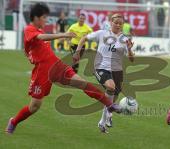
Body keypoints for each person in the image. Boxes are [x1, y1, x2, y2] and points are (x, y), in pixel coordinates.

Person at [5, 3, 122, 134]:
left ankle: (109, 104)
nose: (46, 20)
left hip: (57, 66)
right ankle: (14, 121)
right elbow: (41, 38)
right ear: (36, 18)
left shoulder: (39, 30)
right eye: (44, 17)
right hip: (42, 72)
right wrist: (64, 35)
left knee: (82, 83)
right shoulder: (29, 29)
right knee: (34, 106)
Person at [73, 13, 134, 133]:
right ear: (111, 22)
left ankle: (103, 121)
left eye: (120, 23)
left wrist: (130, 49)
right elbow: (84, 38)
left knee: (114, 97)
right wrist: (77, 52)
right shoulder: (102, 33)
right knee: (111, 87)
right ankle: (106, 117)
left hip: (116, 70)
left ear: (122, 25)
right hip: (100, 67)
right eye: (115, 22)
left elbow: (132, 59)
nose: (117, 25)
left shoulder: (125, 39)